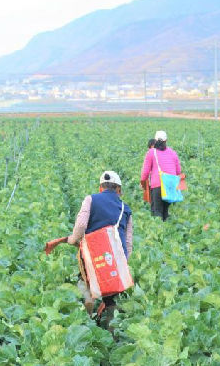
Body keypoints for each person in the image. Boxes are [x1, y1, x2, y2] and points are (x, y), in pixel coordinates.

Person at [67, 171, 133, 323]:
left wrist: (73, 239)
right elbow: (128, 241)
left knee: (85, 280)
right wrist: (124, 262)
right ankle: (111, 325)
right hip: (115, 258)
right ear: (118, 189)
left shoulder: (91, 199)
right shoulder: (125, 208)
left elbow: (82, 224)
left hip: (94, 254)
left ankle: (88, 305)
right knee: (111, 293)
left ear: (101, 188)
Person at [140, 130, 181, 221]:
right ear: (166, 140)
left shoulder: (151, 152)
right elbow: (178, 171)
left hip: (158, 184)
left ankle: (159, 232)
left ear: (155, 140)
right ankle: (167, 231)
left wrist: (143, 182)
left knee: (157, 211)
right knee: (165, 211)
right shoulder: (173, 152)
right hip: (170, 186)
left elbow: (146, 171)